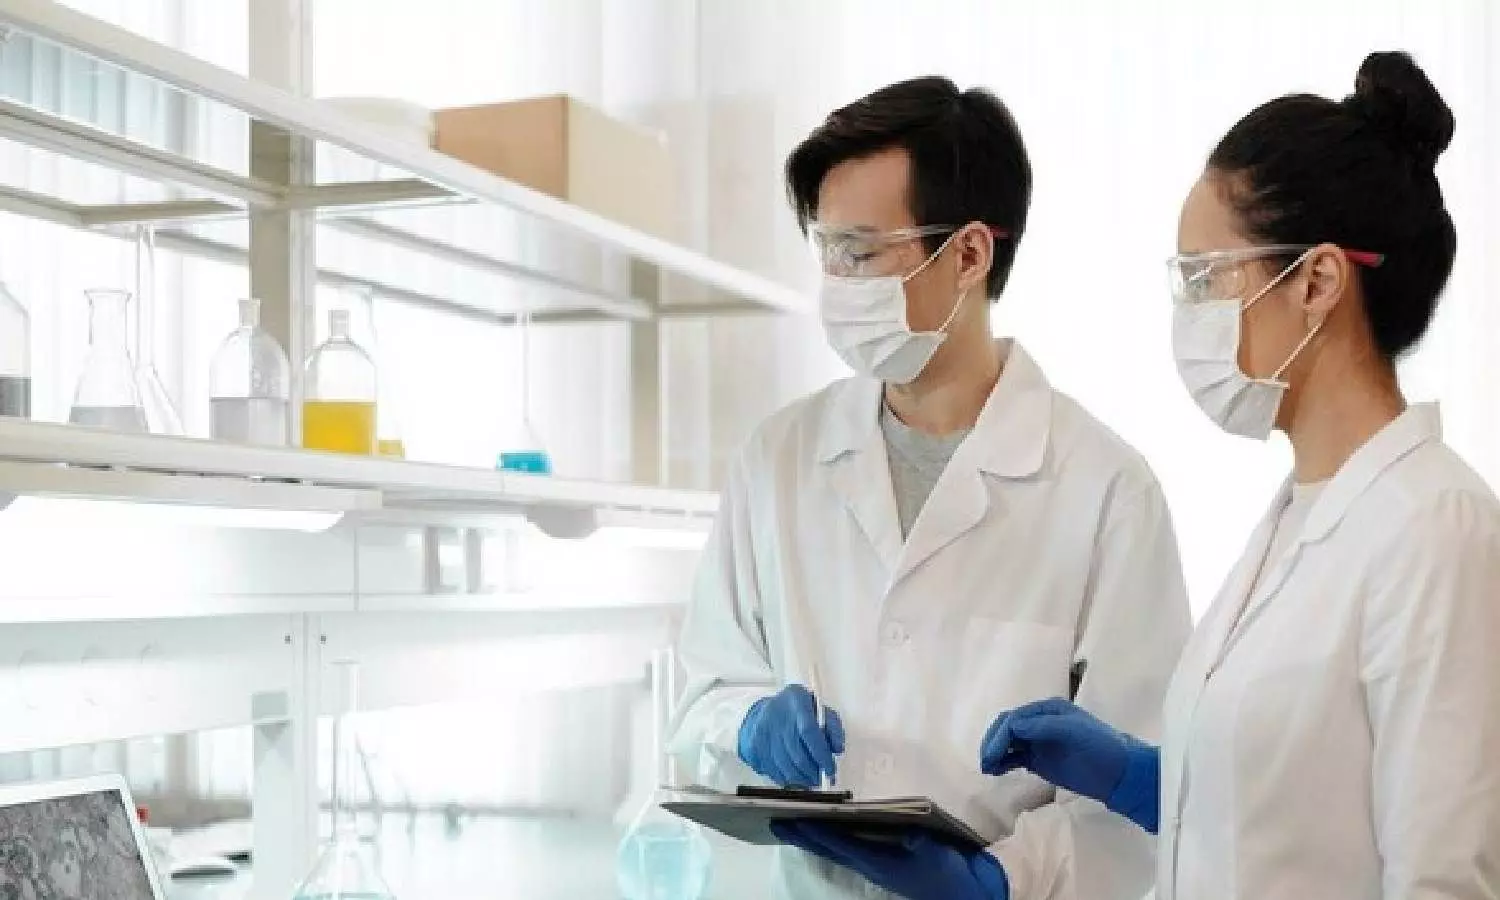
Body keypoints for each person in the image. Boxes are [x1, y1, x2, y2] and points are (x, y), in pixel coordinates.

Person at [979, 52, 1500, 900]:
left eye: (1206, 277)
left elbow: (1444, 881)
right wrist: (1157, 782)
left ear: (1318, 281)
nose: (1189, 311)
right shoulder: (1303, 516)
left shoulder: (1436, 528)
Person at [668, 76, 1192, 900]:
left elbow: (1136, 794)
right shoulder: (777, 459)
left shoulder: (1106, 491)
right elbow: (703, 698)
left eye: (861, 253)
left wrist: (1000, 882)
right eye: (826, 250)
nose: (836, 281)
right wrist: (747, 725)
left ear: (970, 255)